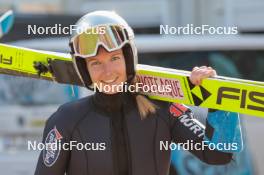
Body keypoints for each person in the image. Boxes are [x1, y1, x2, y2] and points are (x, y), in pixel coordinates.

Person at [34, 11, 243, 175]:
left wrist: (218, 100)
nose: (107, 72)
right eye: (95, 63)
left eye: (114, 59)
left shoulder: (163, 109)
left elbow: (218, 154)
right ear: (84, 69)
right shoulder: (66, 119)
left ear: (128, 58)